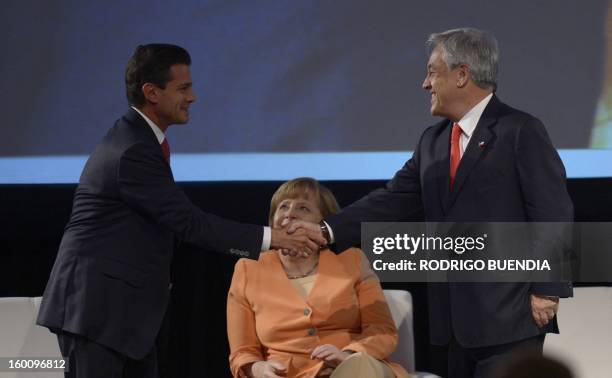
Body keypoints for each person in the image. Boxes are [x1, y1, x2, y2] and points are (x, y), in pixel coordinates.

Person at [289, 28, 574, 378]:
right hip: (454, 323)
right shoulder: (433, 142)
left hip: (509, 317)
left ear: (462, 74)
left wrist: (547, 288)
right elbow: (392, 199)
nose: (425, 84)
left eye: (432, 72)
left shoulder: (519, 130)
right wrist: (326, 229)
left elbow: (552, 212)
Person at [36, 44, 324, 378]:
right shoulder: (132, 151)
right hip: (97, 312)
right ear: (152, 92)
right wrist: (273, 237)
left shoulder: (138, 140)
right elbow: (189, 222)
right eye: (183, 88)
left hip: (120, 314)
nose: (193, 97)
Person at [227, 178, 409, 378]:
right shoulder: (248, 269)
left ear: (325, 222)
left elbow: (382, 330)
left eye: (303, 208)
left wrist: (348, 354)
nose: (289, 213)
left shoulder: (352, 259)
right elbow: (243, 352)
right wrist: (258, 368)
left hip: (354, 368)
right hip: (289, 374)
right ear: (273, 220)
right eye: (283, 206)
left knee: (358, 369)